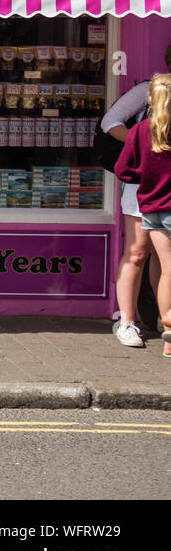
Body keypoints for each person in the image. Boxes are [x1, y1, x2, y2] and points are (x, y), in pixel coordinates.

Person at [102, 45, 171, 347]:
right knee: (137, 251)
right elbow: (110, 122)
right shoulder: (150, 89)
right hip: (146, 184)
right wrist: (145, 142)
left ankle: (162, 316)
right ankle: (126, 320)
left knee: (164, 257)